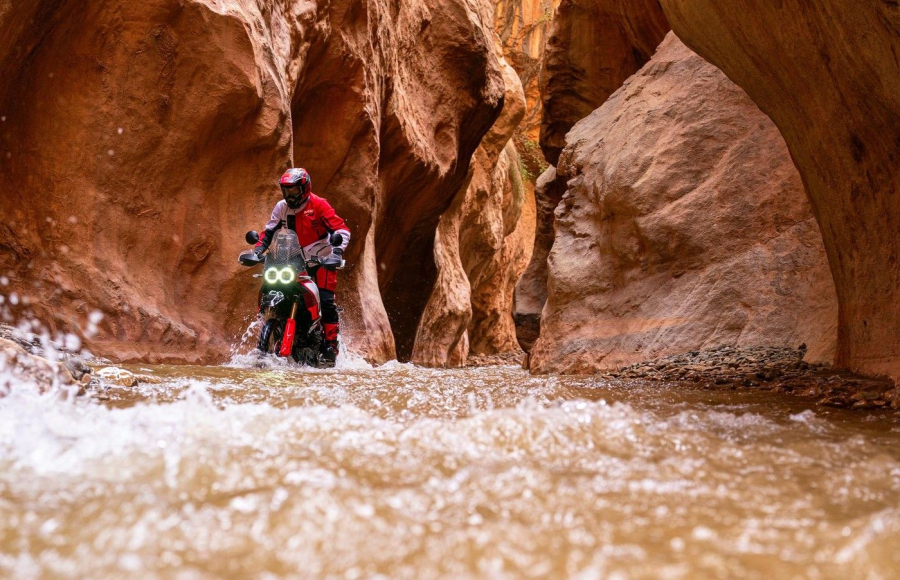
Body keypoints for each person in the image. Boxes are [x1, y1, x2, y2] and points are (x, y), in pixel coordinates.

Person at [254, 168, 350, 362]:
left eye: (294, 191)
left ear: (305, 189)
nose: (289, 195)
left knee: (326, 300)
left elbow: (341, 229)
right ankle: (270, 326)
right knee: (275, 284)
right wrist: (257, 251)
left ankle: (331, 347)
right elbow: (269, 230)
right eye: (286, 191)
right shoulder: (281, 207)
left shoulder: (319, 205)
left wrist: (337, 252)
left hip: (322, 259)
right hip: (293, 259)